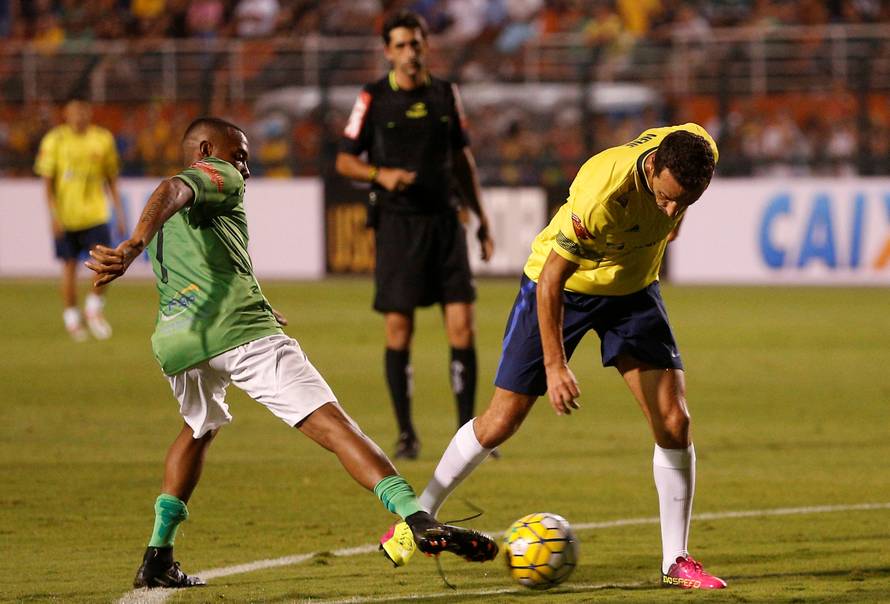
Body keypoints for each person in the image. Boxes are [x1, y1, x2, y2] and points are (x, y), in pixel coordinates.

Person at [85, 117, 497, 589]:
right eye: (239, 153)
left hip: (178, 341)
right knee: (334, 425)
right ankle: (417, 518)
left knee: (199, 428)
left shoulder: (181, 215)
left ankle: (158, 556)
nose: (246, 166)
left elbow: (211, 255)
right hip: (239, 333)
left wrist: (254, 298)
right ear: (204, 150)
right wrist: (134, 243)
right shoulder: (216, 176)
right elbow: (174, 186)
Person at [412, 124, 728, 589]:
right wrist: (556, 365)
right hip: (565, 289)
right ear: (653, 166)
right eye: (666, 198)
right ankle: (419, 515)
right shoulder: (601, 194)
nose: (672, 210)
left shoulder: (697, 149)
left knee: (674, 421)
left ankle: (675, 561)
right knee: (501, 421)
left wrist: (670, 214)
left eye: (685, 202)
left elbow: (672, 203)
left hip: (634, 290)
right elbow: (552, 279)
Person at [335, 10, 495, 460]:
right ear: (388, 51)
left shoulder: (446, 94)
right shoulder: (372, 97)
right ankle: (406, 434)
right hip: (398, 225)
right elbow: (345, 160)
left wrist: (481, 219)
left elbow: (463, 161)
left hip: (446, 222)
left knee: (463, 325)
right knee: (399, 329)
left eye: (416, 43)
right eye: (401, 45)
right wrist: (379, 174)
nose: (410, 52)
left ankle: (469, 436)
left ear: (427, 46)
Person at [34, 95, 126, 341]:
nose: (79, 116)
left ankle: (94, 307)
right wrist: (53, 216)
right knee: (69, 266)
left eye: (83, 110)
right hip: (67, 216)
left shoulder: (102, 139)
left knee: (106, 263)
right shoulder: (55, 140)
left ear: (89, 112)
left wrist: (119, 212)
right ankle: (72, 317)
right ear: (66, 113)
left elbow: (112, 179)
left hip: (95, 213)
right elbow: (47, 184)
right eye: (74, 111)